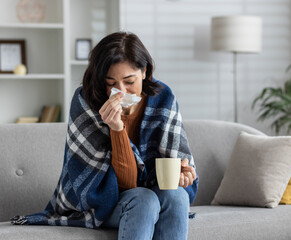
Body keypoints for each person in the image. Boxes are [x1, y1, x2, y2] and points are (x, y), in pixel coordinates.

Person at [11, 32, 199, 240]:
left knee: (177, 196)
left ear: (144, 72)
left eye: (129, 81)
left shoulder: (163, 97)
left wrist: (183, 175)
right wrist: (117, 128)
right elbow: (126, 185)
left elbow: (176, 166)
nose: (120, 92)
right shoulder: (86, 101)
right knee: (144, 200)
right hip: (99, 204)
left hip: (148, 194)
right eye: (111, 83)